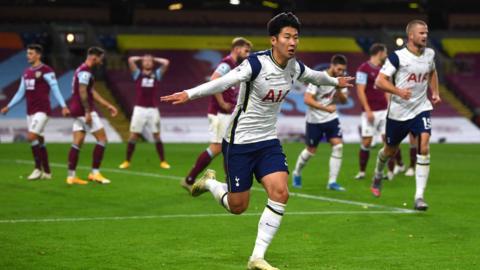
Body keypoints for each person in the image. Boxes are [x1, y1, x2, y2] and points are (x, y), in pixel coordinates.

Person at [161, 12, 354, 270]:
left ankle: (257, 258)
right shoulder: (255, 64)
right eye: (287, 36)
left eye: (296, 37)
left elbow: (315, 77)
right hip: (239, 141)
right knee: (238, 206)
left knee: (280, 192)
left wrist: (335, 81)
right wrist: (189, 94)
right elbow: (223, 82)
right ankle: (209, 183)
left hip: (267, 141)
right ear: (273, 40)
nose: (293, 42)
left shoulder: (294, 67)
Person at [370, 20, 440, 211]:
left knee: (423, 147)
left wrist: (435, 92)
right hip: (399, 112)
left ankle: (419, 197)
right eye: (421, 33)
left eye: (426, 32)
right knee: (389, 151)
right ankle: (378, 173)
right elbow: (379, 81)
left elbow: (432, 72)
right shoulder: (397, 57)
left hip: (421, 108)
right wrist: (398, 91)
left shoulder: (430, 54)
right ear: (411, 36)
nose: (425, 36)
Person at [181, 37, 252, 192]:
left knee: (227, 147)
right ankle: (190, 179)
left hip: (226, 113)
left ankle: (228, 182)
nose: (248, 54)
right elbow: (214, 80)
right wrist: (221, 102)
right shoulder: (227, 64)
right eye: (246, 51)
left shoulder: (236, 65)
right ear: (236, 49)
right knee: (218, 147)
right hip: (219, 113)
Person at [1, 44, 70, 180]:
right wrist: (8, 106)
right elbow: (20, 92)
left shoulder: (47, 70)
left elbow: (55, 89)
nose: (28, 56)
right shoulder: (26, 72)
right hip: (30, 111)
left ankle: (37, 169)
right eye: (28, 53)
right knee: (40, 140)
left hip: (42, 110)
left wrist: (63, 106)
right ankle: (48, 172)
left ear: (38, 55)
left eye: (31, 53)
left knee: (31, 137)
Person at [291, 54, 349, 191]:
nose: (341, 72)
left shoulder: (341, 79)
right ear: (332, 65)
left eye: (343, 70)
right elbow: (307, 99)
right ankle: (297, 173)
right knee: (311, 151)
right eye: (339, 69)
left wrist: (339, 89)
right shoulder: (319, 78)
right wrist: (325, 108)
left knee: (338, 146)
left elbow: (344, 101)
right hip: (314, 120)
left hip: (331, 118)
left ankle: (332, 182)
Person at [66, 47, 118, 185]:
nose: (102, 61)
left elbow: (91, 91)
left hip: (77, 109)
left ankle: (71, 176)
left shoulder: (81, 70)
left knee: (77, 142)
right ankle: (94, 173)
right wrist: (88, 111)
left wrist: (108, 105)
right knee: (102, 139)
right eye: (101, 58)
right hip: (84, 110)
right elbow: (83, 91)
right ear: (94, 57)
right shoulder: (85, 72)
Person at [354, 43, 405, 181]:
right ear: (379, 53)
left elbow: (387, 90)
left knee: (388, 141)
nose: (387, 55)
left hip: (384, 111)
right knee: (366, 142)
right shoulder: (363, 69)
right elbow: (360, 90)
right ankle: (362, 172)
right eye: (385, 52)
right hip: (369, 111)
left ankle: (389, 172)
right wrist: (367, 109)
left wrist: (390, 108)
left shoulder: (384, 70)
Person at [118, 54, 171, 170]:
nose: (147, 62)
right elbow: (130, 59)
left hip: (152, 109)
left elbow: (166, 62)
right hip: (139, 109)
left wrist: (154, 58)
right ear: (142, 63)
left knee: (156, 135)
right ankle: (127, 161)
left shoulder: (156, 75)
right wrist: (142, 57)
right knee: (133, 136)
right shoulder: (137, 74)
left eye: (149, 61)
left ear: (153, 63)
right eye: (145, 61)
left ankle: (163, 161)